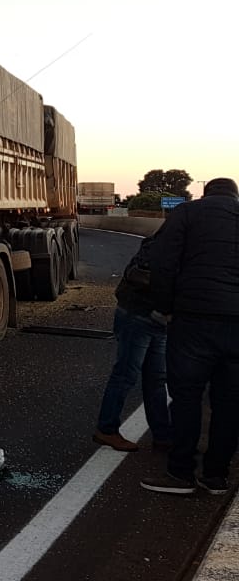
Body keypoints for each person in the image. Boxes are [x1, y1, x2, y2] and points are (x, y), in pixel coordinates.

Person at [141, 177, 239, 495]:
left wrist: (164, 307)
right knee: (229, 402)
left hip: (193, 320)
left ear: (205, 193)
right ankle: (216, 476)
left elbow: (162, 261)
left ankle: (181, 472)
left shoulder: (187, 213)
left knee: (186, 397)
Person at [93, 233, 171, 452]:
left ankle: (163, 435)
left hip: (158, 319)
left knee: (156, 378)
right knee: (126, 374)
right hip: (139, 314)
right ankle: (106, 429)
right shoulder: (164, 244)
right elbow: (137, 273)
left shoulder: (185, 243)